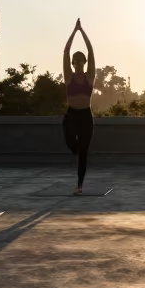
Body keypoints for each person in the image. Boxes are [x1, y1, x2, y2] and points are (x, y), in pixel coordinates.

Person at [62, 18, 96, 195]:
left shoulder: (90, 77)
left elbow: (90, 51)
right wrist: (74, 31)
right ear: (73, 64)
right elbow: (66, 51)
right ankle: (74, 151)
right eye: (75, 61)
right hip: (72, 114)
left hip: (85, 116)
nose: (78, 63)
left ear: (84, 62)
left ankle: (79, 185)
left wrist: (82, 31)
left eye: (81, 61)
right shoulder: (69, 77)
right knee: (69, 140)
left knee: (84, 152)